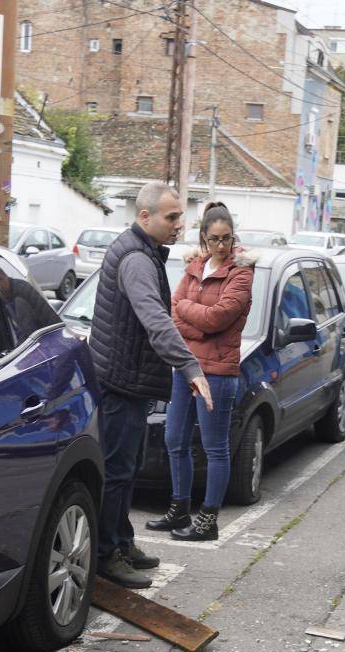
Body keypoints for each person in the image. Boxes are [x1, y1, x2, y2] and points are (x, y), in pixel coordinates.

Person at [88, 181, 213, 589]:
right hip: (120, 384)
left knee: (128, 469)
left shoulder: (142, 251)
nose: (180, 224)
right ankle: (107, 555)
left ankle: (123, 542)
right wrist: (191, 368)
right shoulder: (137, 260)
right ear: (145, 216)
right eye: (172, 217)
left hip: (130, 382)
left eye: (180, 216)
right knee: (118, 472)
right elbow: (156, 321)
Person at [146, 202, 253, 543]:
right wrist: (198, 320)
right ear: (204, 240)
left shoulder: (241, 274)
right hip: (185, 367)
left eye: (227, 239)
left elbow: (216, 319)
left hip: (218, 374)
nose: (222, 246)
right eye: (215, 239)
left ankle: (208, 520)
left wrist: (192, 317)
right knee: (174, 439)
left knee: (214, 447)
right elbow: (173, 311)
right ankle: (180, 506)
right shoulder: (194, 267)